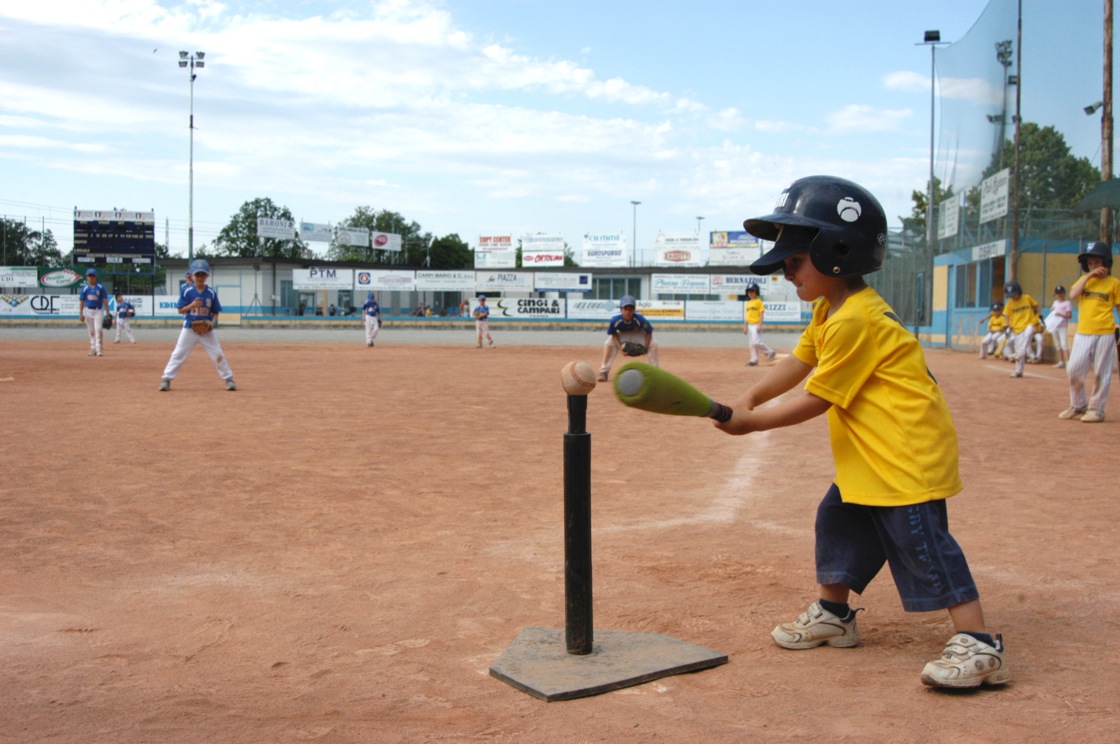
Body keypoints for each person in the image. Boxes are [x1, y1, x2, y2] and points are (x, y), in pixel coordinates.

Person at [715, 175, 1009, 689]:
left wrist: (752, 424)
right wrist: (750, 398)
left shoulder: (859, 321)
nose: (787, 274)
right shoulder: (832, 310)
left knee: (923, 544)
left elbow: (817, 397)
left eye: (794, 262)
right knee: (839, 522)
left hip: (904, 456)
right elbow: (801, 362)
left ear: (837, 252)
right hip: (869, 456)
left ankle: (979, 642)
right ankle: (836, 615)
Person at [1059, 241, 1120, 422]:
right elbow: (1073, 295)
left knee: (1102, 372)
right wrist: (1089, 275)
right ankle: (1078, 405)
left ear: (1106, 263)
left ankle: (1097, 409)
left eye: (1098, 262)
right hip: (1083, 332)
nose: (1094, 266)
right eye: (1090, 263)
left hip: (1105, 332)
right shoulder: (1084, 281)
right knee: (1074, 369)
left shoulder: (1114, 284)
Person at [159, 258, 236, 392]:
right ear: (192, 275)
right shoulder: (187, 291)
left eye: (203, 274)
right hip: (189, 328)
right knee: (178, 353)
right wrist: (192, 305)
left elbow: (216, 312)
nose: (200, 277)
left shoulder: (211, 293)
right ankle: (166, 379)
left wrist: (212, 324)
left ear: (207, 276)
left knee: (218, 354)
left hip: (206, 330)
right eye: (197, 274)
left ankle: (229, 379)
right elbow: (180, 310)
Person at [597, 295, 659, 382]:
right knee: (608, 344)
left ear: (634, 310)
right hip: (622, 333)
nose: (628, 312)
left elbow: (649, 331)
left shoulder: (639, 318)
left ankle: (655, 372)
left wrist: (645, 347)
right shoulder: (615, 319)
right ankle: (604, 372)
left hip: (638, 332)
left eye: (630, 309)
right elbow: (614, 334)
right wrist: (620, 348)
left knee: (653, 343)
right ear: (621, 309)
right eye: (625, 309)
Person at [1001, 280, 1039, 378]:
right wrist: (1007, 327)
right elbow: (1006, 315)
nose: (1013, 297)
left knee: (1029, 330)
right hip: (1016, 329)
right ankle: (1018, 371)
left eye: (1015, 294)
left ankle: (1021, 352)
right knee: (1019, 350)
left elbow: (1036, 306)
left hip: (1028, 324)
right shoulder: (1010, 303)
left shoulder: (1027, 298)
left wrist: (1038, 317)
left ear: (1019, 291)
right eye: (1011, 295)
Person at [78, 267, 110, 356]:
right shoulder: (85, 289)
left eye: (93, 276)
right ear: (87, 277)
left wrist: (108, 312)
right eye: (89, 276)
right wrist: (81, 313)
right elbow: (82, 301)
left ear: (96, 277)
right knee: (91, 330)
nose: (91, 277)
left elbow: (105, 300)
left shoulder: (100, 287)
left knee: (98, 329)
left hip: (98, 310)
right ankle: (93, 348)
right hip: (88, 311)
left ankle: (99, 349)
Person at [743, 283, 777, 366]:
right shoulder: (748, 303)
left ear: (756, 292)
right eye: (749, 291)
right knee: (752, 344)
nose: (751, 293)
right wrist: (745, 327)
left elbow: (761, 313)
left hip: (756, 325)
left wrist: (760, 325)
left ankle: (770, 352)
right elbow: (747, 316)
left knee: (756, 342)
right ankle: (754, 360)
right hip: (750, 325)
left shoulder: (758, 301)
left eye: (752, 291)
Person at [1047, 285, 1072, 368]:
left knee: (1064, 344)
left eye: (1061, 293)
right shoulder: (1055, 303)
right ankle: (1061, 361)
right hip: (1055, 325)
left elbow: (1069, 315)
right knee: (1058, 344)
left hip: (1062, 326)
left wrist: (1060, 315)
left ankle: (1068, 361)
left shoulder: (1067, 303)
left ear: (1064, 293)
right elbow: (1052, 311)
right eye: (1058, 294)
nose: (1060, 295)